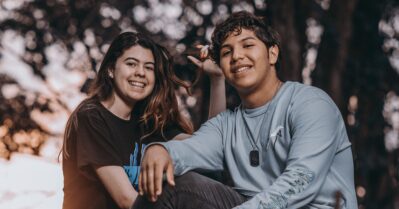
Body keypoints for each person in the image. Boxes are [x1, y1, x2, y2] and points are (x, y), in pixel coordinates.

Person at [136, 11, 358, 209]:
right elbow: (189, 150)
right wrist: (161, 151)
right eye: (226, 52)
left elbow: (299, 182)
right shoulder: (225, 125)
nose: (236, 56)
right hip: (249, 203)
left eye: (248, 45)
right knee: (173, 185)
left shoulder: (311, 104)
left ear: (273, 54)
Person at [61, 32, 225, 209]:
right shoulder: (91, 117)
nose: (140, 73)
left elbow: (210, 147)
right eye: (131, 64)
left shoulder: (148, 122)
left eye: (149, 67)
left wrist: (217, 80)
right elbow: (127, 200)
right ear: (110, 69)